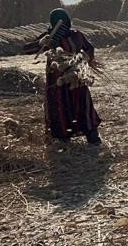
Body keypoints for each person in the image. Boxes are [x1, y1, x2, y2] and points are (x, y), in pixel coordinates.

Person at [23, 8, 102, 144]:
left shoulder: (76, 35)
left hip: (76, 77)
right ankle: (62, 136)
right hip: (56, 79)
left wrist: (83, 58)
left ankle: (91, 134)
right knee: (59, 105)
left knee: (82, 103)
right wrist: (41, 43)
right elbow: (27, 49)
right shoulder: (49, 37)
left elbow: (89, 48)